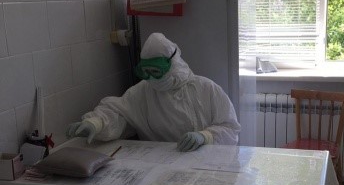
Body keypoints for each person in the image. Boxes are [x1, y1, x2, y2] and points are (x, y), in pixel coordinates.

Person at [66, 32, 241, 152]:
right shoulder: (143, 92)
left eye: (156, 72)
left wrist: (205, 137)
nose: (152, 78)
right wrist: (96, 123)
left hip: (207, 164)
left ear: (173, 65)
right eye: (146, 72)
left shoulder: (206, 88)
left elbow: (231, 128)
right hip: (161, 164)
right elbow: (119, 114)